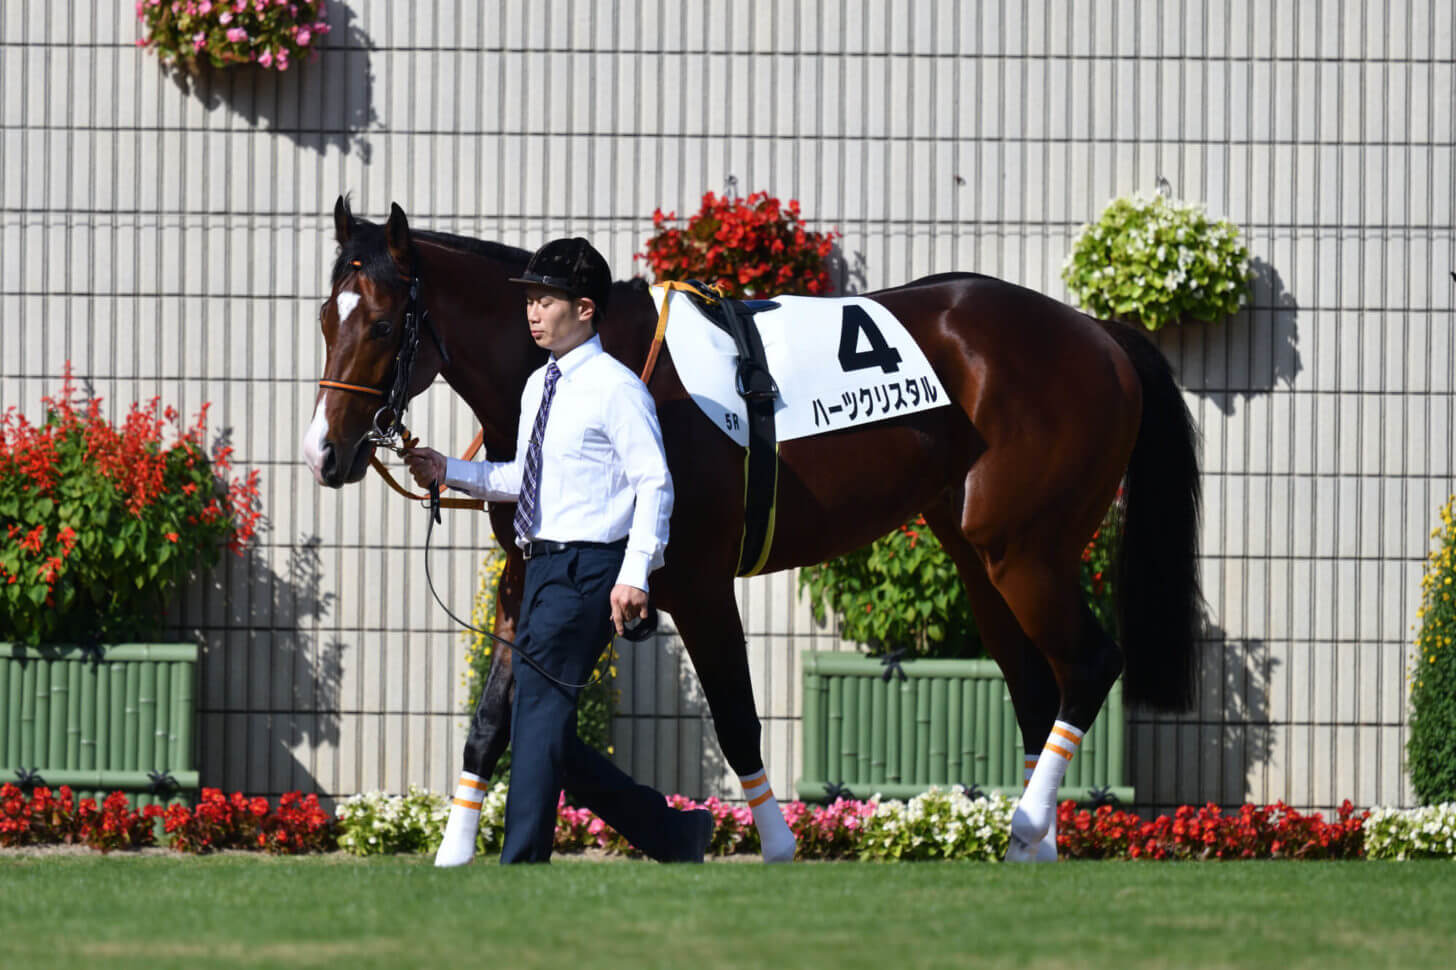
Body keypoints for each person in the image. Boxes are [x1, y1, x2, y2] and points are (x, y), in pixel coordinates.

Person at [402, 237, 712, 865]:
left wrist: (635, 577)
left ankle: (522, 867)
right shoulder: (539, 386)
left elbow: (655, 483)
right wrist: (447, 470)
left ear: (587, 309)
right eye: (530, 299)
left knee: (536, 709)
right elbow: (526, 478)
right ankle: (671, 835)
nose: (533, 310)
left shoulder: (616, 387)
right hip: (543, 567)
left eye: (546, 299)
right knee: (541, 726)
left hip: (589, 569)